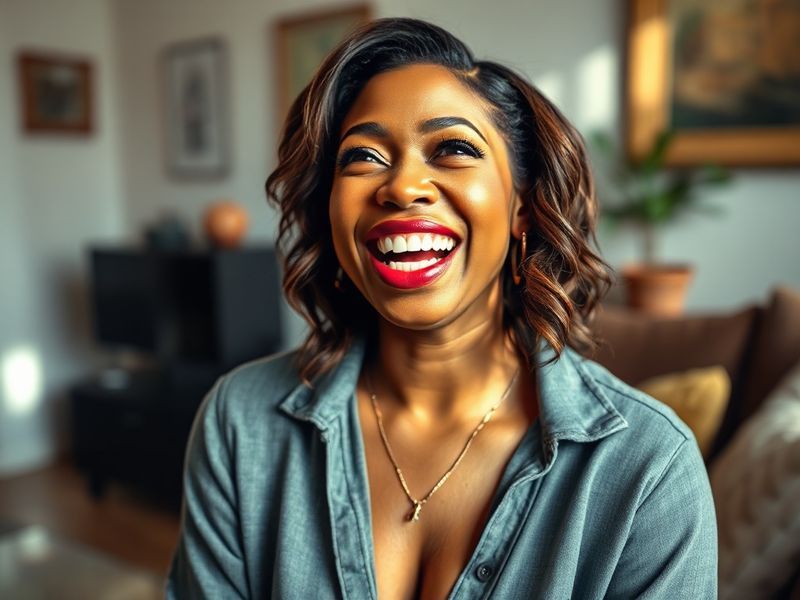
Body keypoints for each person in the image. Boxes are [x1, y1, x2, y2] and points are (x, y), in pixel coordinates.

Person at [167, 18, 717, 599]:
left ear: (522, 206)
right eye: (362, 158)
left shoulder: (650, 473)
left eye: (453, 148)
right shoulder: (240, 425)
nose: (403, 187)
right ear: (329, 210)